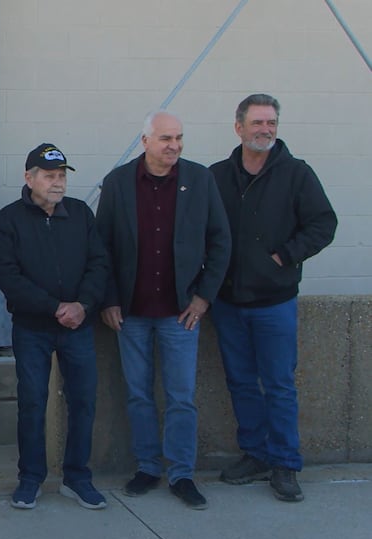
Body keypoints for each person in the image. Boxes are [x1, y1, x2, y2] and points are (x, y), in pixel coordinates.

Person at [95, 111, 230, 510]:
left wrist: (203, 297)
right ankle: (148, 467)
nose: (174, 145)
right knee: (138, 394)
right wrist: (108, 298)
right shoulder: (119, 183)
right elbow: (101, 246)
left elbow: (221, 242)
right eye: (166, 138)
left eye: (179, 138)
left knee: (181, 397)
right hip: (131, 312)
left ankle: (182, 474)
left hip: (180, 312)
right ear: (145, 141)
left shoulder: (200, 180)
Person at [209, 94, 337, 502]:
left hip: (275, 302)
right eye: (258, 122)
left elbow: (323, 223)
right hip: (228, 302)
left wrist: (285, 256)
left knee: (279, 385)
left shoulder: (297, 174)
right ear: (239, 127)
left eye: (272, 123)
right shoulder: (217, 176)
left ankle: (285, 462)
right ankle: (256, 454)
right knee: (242, 382)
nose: (266, 129)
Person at [0, 143, 109, 510]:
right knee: (32, 403)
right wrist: (54, 306)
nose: (57, 184)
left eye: (61, 177)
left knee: (83, 401)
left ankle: (77, 477)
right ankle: (30, 478)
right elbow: (9, 277)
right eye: (49, 176)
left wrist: (82, 305)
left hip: (78, 326)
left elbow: (99, 264)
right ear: (29, 178)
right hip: (32, 328)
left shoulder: (80, 214)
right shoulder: (8, 220)